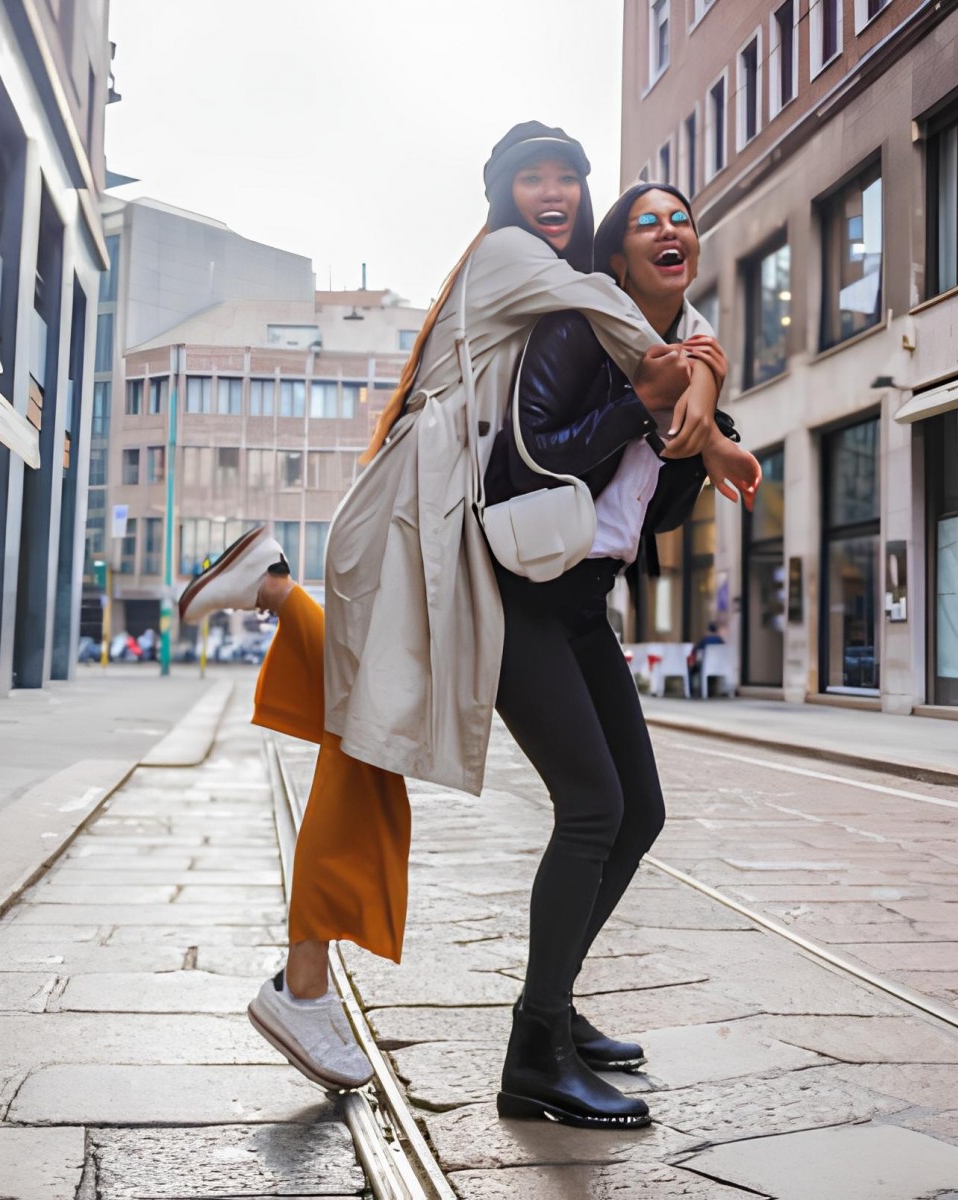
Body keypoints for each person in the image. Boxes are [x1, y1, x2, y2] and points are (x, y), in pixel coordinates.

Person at [176, 122, 725, 1093]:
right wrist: (707, 385)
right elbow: (631, 333)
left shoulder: (537, 278)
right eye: (531, 178)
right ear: (501, 193)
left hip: (441, 527)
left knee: (371, 722)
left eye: (567, 178)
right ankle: (306, 989)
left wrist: (702, 405)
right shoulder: (522, 260)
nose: (551, 193)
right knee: (369, 737)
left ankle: (270, 586)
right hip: (416, 522)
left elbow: (634, 347)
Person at [486, 182, 760, 1127]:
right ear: (615, 258)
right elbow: (528, 458)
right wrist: (644, 403)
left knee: (638, 810)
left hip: (583, 601)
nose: (669, 230)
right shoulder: (574, 329)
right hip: (518, 592)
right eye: (646, 222)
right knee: (593, 807)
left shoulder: (697, 349)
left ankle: (551, 1006)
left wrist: (701, 429)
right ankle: (534, 1055)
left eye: (680, 219)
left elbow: (656, 510)